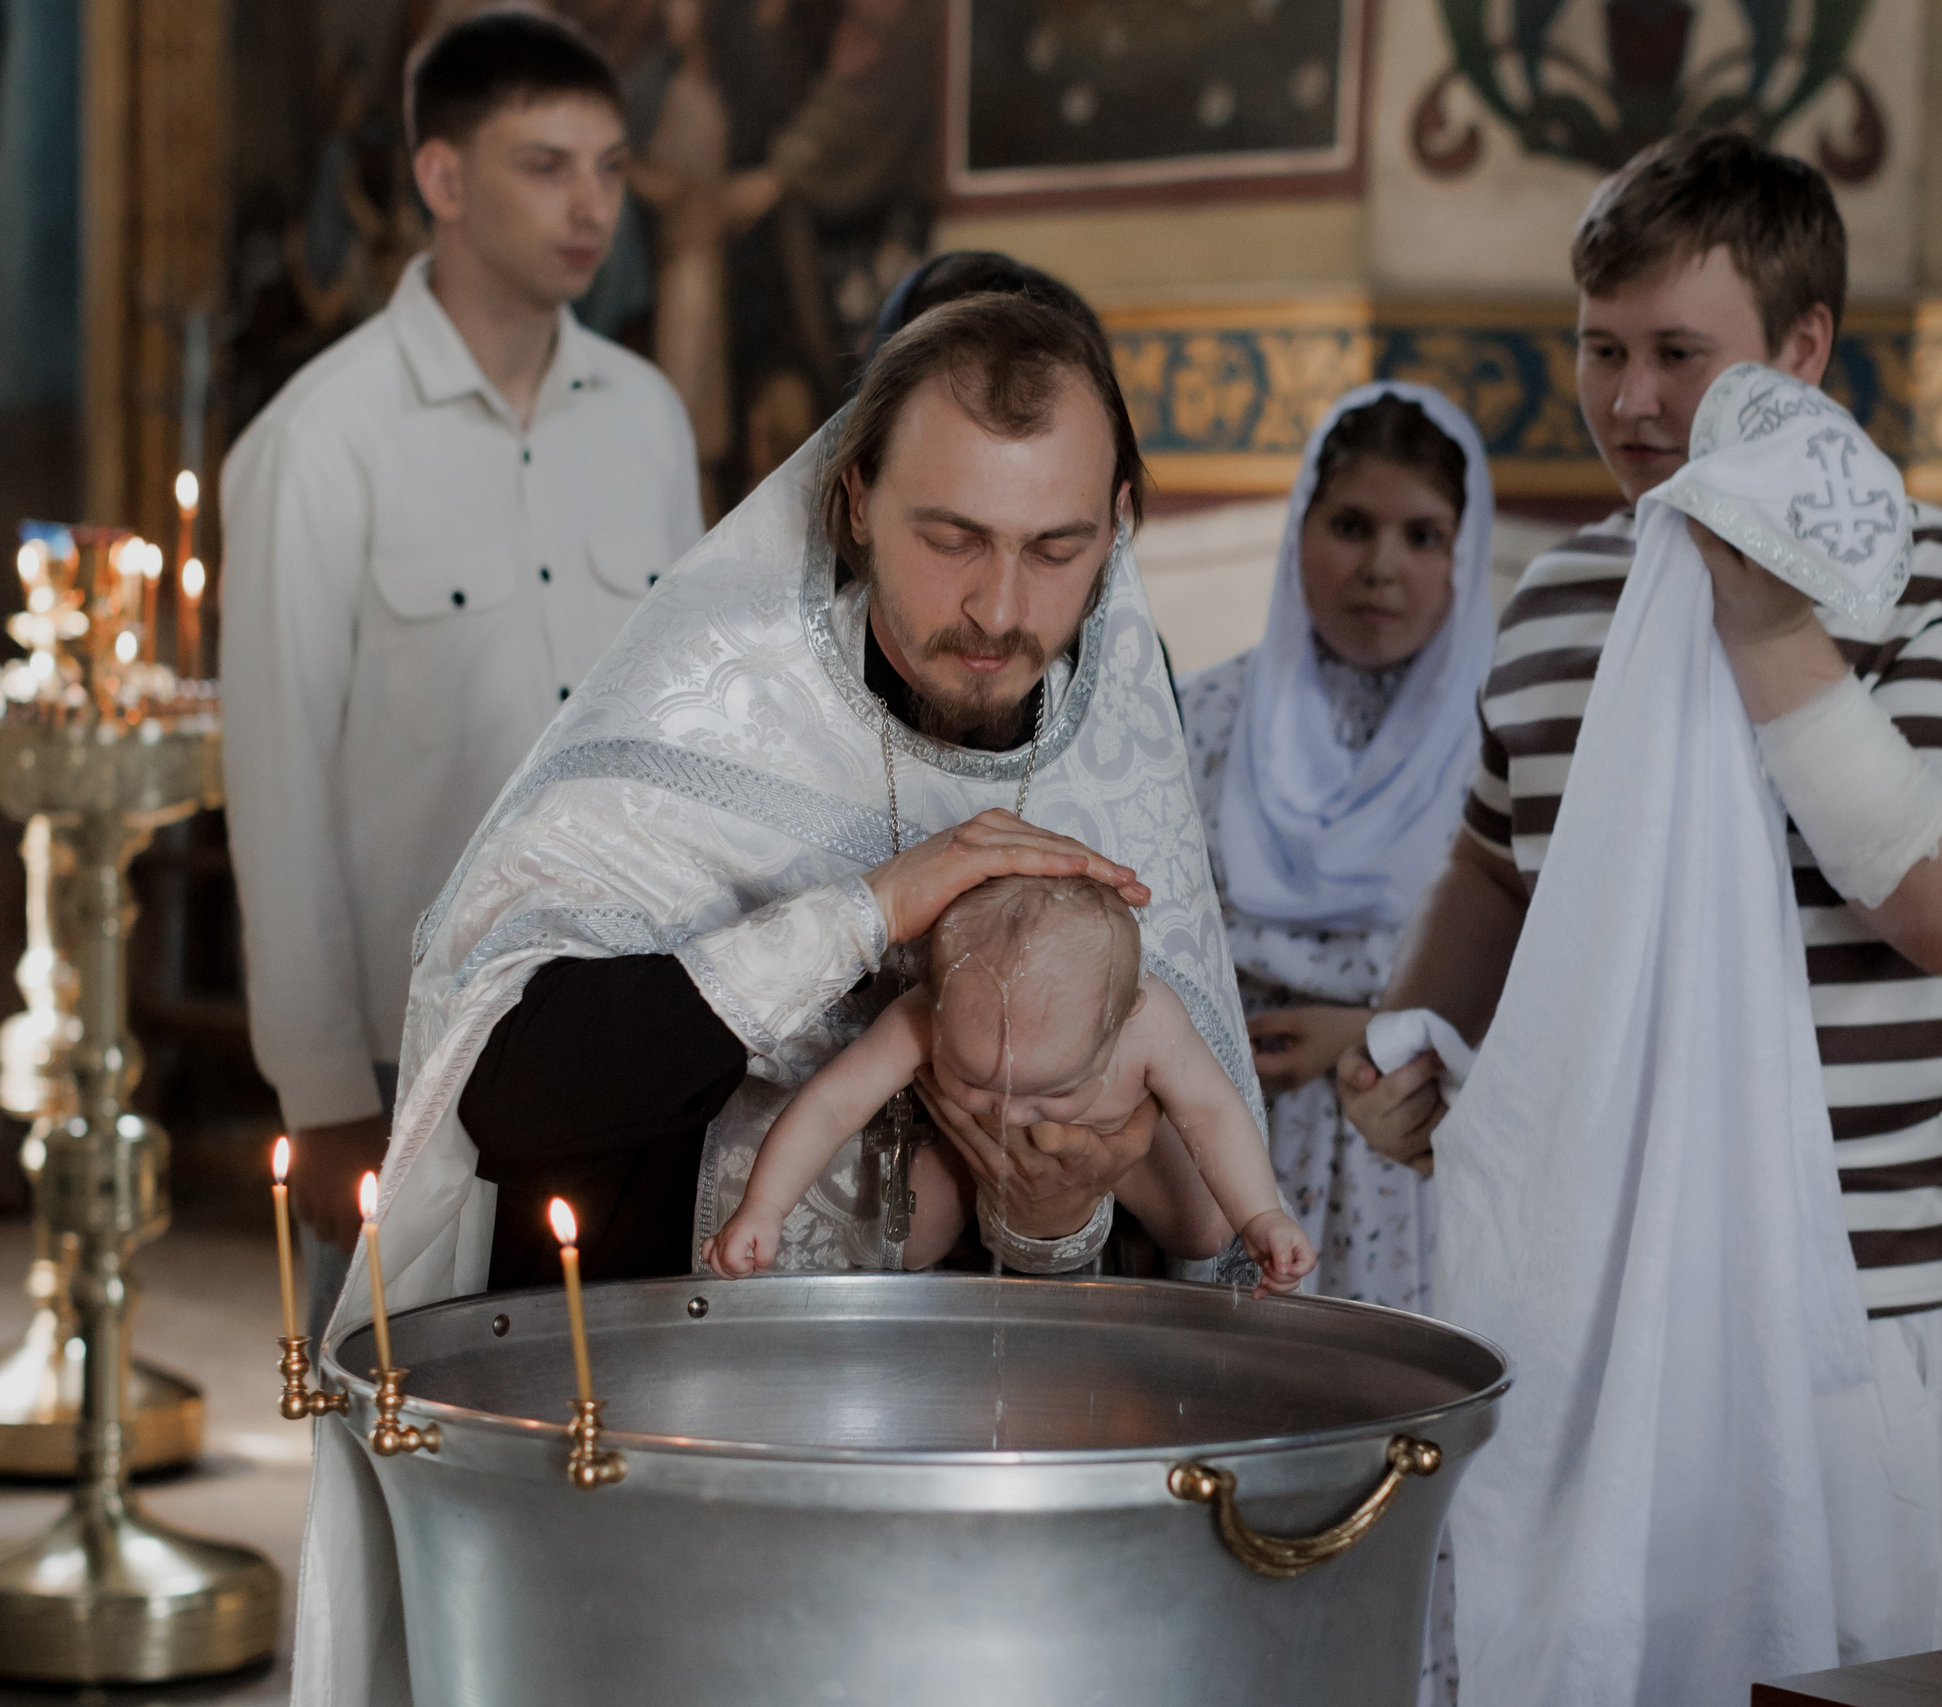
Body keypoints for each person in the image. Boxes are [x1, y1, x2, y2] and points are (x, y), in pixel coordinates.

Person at [292, 287, 1262, 1704]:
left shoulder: (1119, 739)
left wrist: (1051, 1222)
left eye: (1057, 549)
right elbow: (512, 1096)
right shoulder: (704, 700)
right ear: (854, 498)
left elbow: (1172, 1223)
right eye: (952, 539)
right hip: (666, 1462)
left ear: (1120, 524)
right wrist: (869, 905)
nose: (1001, 609)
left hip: (964, 1516)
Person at [1338, 132, 1942, 1693]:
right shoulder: (1552, 598)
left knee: (1826, 1673)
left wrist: (1766, 622)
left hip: (1854, 1284)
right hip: (1587, 1269)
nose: (1629, 402)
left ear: (1801, 352)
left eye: (1680, 353)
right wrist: (1412, 1032)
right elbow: (1492, 861)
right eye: (1601, 350)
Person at [220, 11, 702, 1339]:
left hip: (627, 1014)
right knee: (394, 1416)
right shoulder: (320, 443)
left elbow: (686, 727)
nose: (591, 204)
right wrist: (320, 1089)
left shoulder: (648, 421)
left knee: (612, 1397)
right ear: (442, 177)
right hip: (409, 1046)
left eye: (610, 167)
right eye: (546, 165)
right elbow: (275, 781)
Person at [1180, 382, 1494, 1315]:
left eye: (1423, 536)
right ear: (1298, 532)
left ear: (1465, 554)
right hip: (1220, 1150)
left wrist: (1360, 1034)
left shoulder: (1506, 743)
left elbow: (1551, 981)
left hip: (1421, 1158)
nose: (1381, 569)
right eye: (1351, 526)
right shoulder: (1201, 719)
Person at [703, 875, 1316, 1289]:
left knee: (1206, 1229)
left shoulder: (1150, 1020)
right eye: (975, 1078)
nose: (1013, 1113)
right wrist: (765, 1207)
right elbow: (833, 1104)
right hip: (959, 1145)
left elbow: (1210, 1113)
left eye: (1051, 1089)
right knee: (909, 1247)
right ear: (937, 1003)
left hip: (1114, 1140)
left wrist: (1262, 1215)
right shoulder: (921, 1014)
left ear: (1120, 1018)